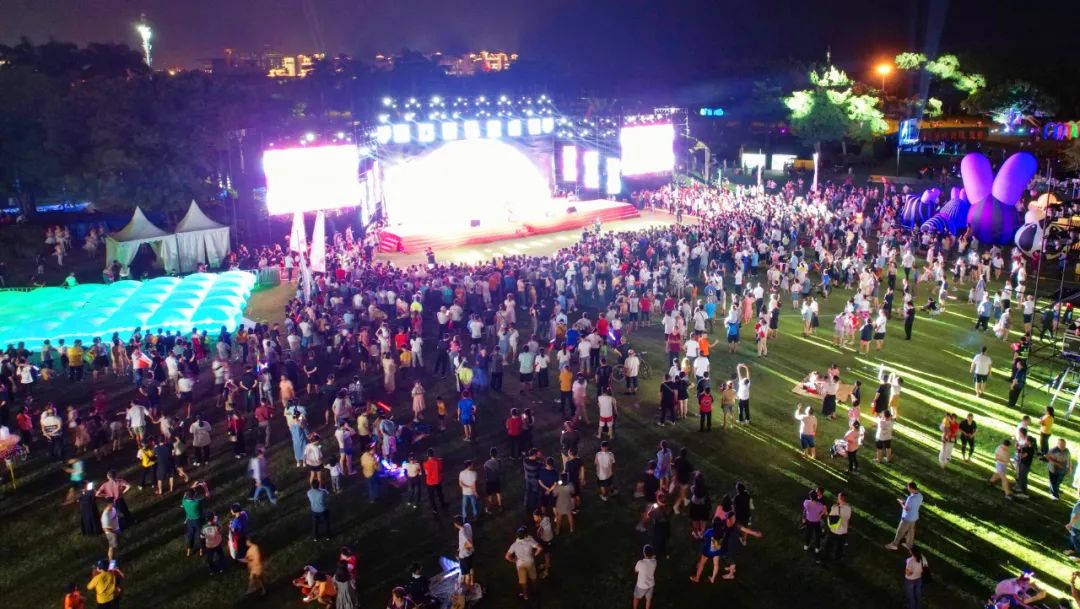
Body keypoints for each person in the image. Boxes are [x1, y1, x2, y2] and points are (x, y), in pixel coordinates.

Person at [505, 526, 542, 601]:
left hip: (520, 564)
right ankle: (535, 591)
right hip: (530, 562)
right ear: (525, 535)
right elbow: (540, 548)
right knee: (533, 577)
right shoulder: (530, 541)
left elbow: (507, 556)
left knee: (523, 582)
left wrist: (514, 560)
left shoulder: (514, 545)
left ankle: (525, 596)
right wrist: (534, 554)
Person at [885, 481, 923, 550]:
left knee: (900, 531)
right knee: (911, 532)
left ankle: (894, 545)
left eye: (908, 488)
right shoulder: (920, 495)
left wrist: (901, 502)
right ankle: (909, 545)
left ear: (911, 488)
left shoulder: (911, 498)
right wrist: (905, 502)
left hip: (907, 518)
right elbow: (914, 505)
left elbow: (906, 508)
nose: (907, 489)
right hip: (914, 517)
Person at [824, 491, 852, 562]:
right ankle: (837, 559)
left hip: (834, 530)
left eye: (838, 497)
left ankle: (825, 558)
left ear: (841, 498)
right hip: (843, 531)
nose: (837, 498)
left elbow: (830, 518)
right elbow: (848, 519)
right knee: (840, 547)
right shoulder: (849, 508)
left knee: (828, 545)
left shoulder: (835, 507)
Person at [453, 515, 475, 589]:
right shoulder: (468, 525)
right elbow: (468, 541)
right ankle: (472, 583)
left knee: (466, 574)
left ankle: (468, 589)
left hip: (464, 556)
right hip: (471, 553)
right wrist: (461, 547)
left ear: (456, 524)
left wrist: (463, 547)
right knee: (471, 568)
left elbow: (470, 544)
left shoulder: (461, 532)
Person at [632, 544, 657, 609]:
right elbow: (653, 558)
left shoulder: (640, 563)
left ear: (644, 553)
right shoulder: (654, 562)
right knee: (648, 599)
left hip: (641, 586)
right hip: (651, 585)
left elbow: (635, 571)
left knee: (636, 597)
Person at [100, 497, 120, 561]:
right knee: (112, 547)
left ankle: (115, 558)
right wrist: (114, 533)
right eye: (113, 502)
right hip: (111, 533)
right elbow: (105, 528)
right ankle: (111, 560)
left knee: (115, 546)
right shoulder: (105, 516)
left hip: (115, 530)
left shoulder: (112, 509)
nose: (114, 503)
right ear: (109, 504)